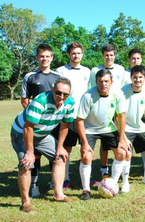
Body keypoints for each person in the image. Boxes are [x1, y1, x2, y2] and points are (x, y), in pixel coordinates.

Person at [11, 77, 75, 212]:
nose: (61, 97)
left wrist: (60, 146)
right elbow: (28, 128)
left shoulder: (70, 103)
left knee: (60, 157)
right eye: (58, 93)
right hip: (21, 133)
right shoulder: (40, 102)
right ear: (52, 89)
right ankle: (26, 202)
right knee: (26, 164)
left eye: (65, 94)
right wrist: (29, 152)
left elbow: (65, 124)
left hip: (42, 134)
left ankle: (58, 194)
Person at [77, 69, 130, 200]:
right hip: (90, 129)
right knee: (86, 155)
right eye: (100, 81)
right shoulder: (87, 96)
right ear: (96, 82)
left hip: (108, 128)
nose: (103, 84)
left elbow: (121, 116)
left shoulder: (118, 94)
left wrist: (122, 138)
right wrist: (84, 142)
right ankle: (86, 190)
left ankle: (112, 183)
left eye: (106, 81)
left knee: (121, 152)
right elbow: (79, 120)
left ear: (111, 82)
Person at [20, 44, 61, 198]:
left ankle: (54, 182)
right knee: (35, 155)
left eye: (47, 56)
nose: (45, 59)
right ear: (37, 58)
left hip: (53, 122)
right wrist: (34, 118)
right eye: (42, 56)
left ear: (51, 58)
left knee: (55, 152)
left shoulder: (57, 77)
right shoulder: (30, 76)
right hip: (36, 124)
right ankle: (34, 186)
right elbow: (25, 100)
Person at [54, 42, 91, 190]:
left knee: (86, 147)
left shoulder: (87, 71)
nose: (76, 55)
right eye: (73, 53)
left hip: (83, 117)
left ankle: (86, 179)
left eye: (79, 53)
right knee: (66, 148)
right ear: (69, 55)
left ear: (82, 54)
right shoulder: (61, 71)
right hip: (66, 117)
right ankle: (65, 178)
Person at [88, 44, 125, 179]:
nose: (109, 57)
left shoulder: (121, 69)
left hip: (116, 107)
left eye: (111, 55)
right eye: (106, 55)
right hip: (100, 107)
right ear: (103, 56)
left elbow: (123, 88)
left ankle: (117, 171)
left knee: (115, 140)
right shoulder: (95, 70)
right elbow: (92, 88)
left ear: (114, 55)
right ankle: (104, 169)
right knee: (104, 142)